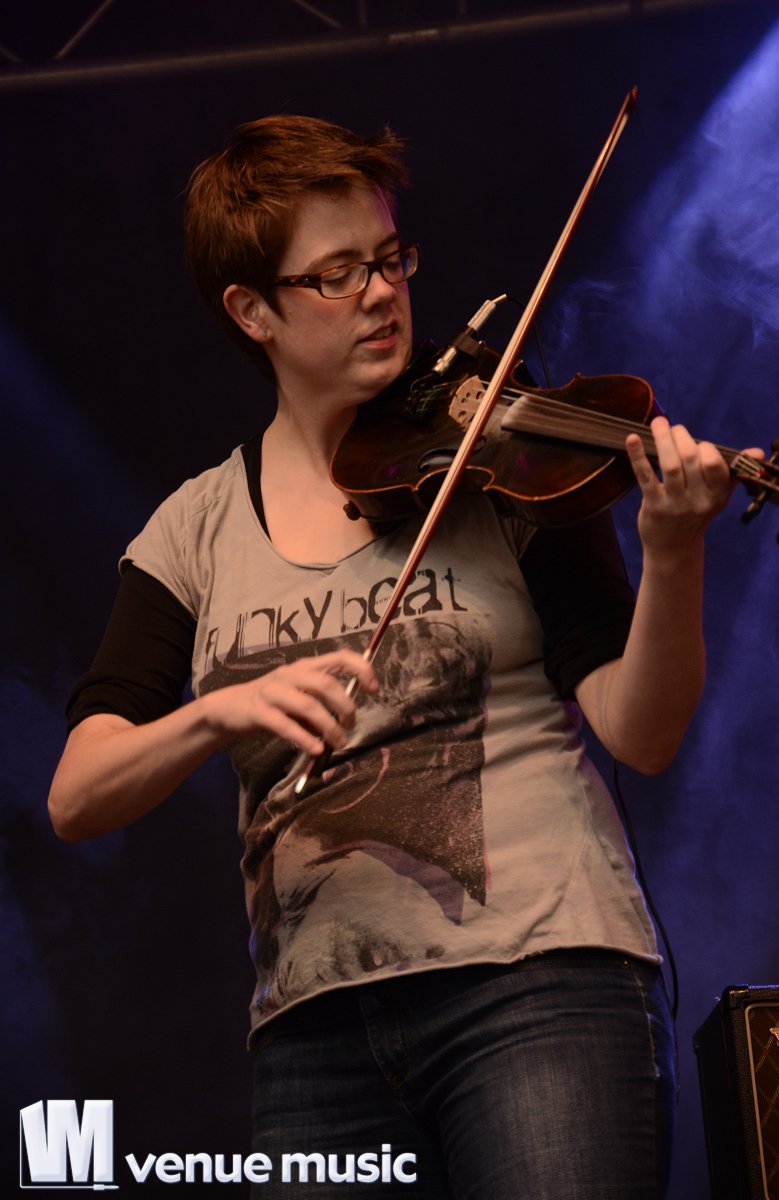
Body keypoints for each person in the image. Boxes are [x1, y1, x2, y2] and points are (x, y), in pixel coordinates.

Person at [48, 114, 743, 1199]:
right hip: (311, 1032)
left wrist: (674, 550)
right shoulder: (193, 530)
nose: (381, 294)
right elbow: (77, 796)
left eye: (389, 259)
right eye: (337, 275)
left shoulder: (503, 456)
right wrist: (217, 712)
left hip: (540, 985)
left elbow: (640, 733)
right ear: (252, 310)